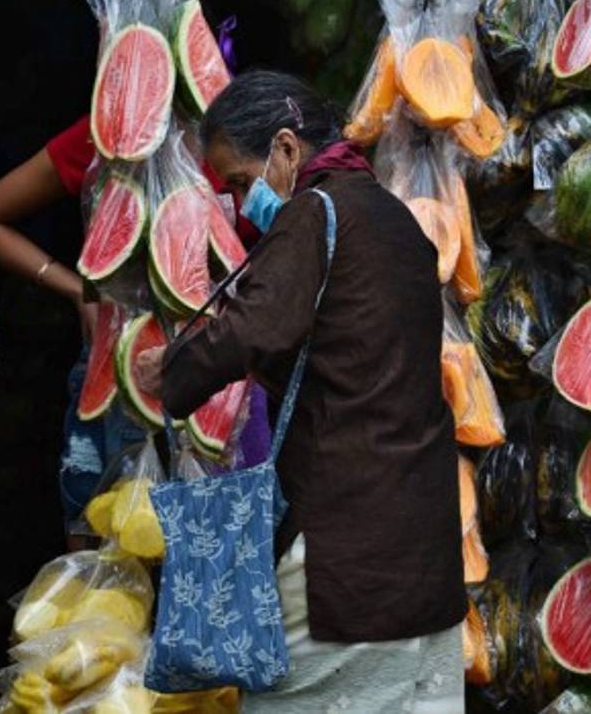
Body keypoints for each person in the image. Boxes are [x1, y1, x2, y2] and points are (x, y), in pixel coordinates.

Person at [135, 71, 466, 713]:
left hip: (347, 560)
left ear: (287, 149)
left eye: (237, 181)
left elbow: (254, 327)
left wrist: (171, 371)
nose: (238, 204)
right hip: (425, 556)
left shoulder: (314, 212)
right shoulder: (394, 219)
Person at [0, 115, 268, 549]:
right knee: (101, 552)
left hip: (218, 378)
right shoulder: (105, 131)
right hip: (113, 371)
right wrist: (77, 290)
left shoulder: (239, 131)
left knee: (215, 555)